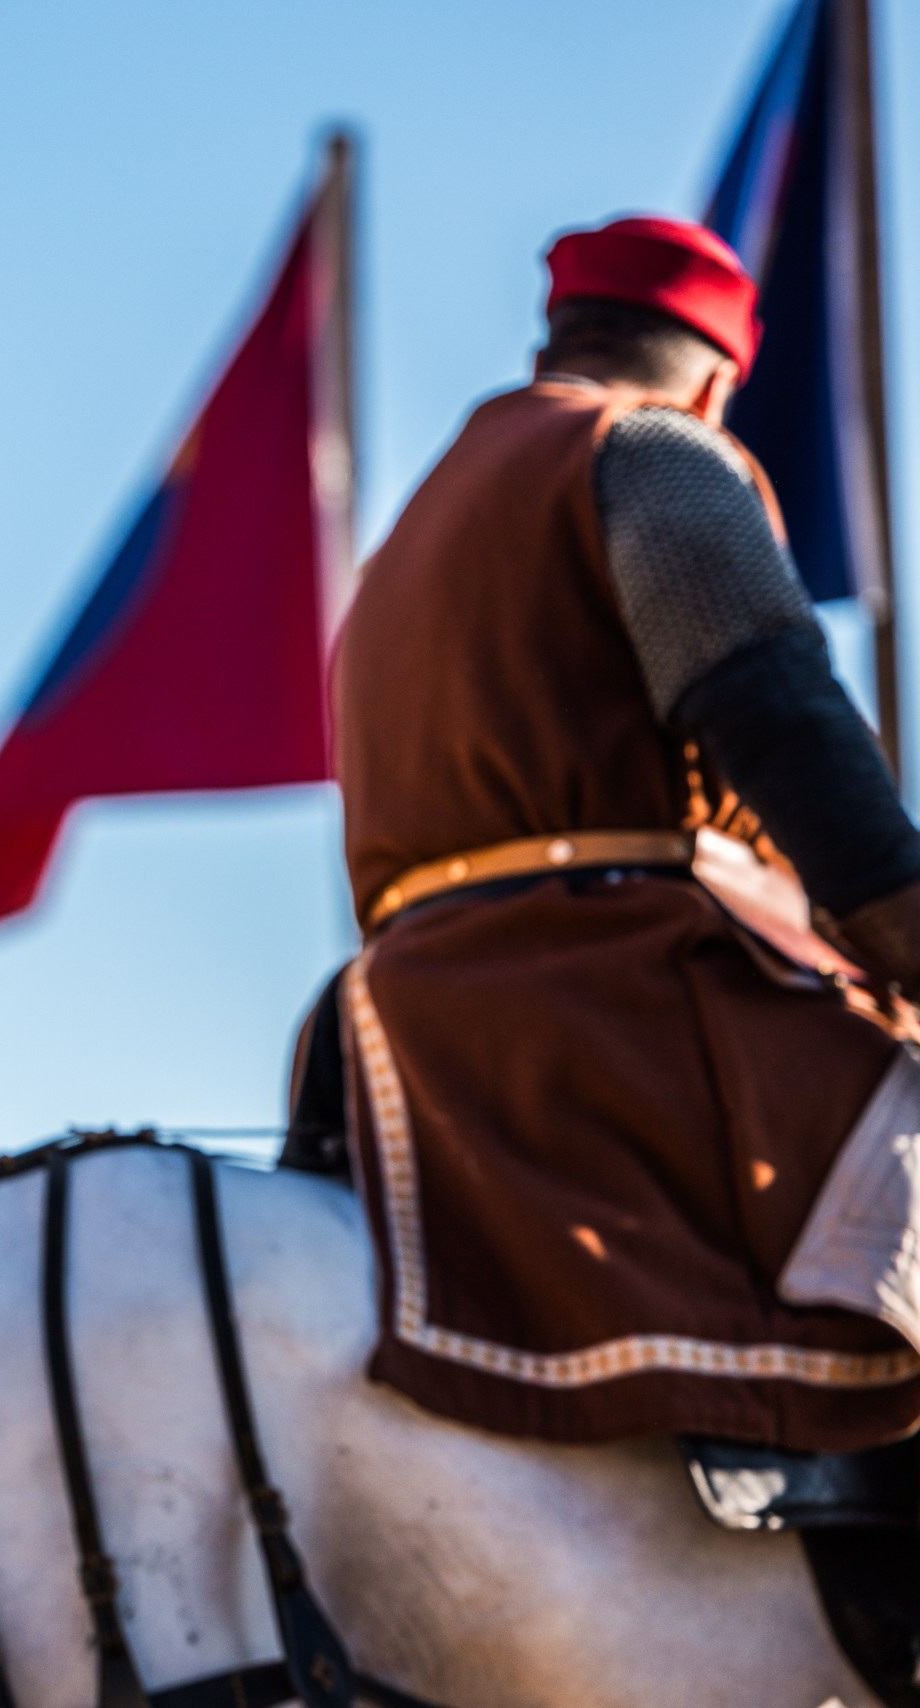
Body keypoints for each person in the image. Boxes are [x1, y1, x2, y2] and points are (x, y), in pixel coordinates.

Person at [330, 215, 920, 1453]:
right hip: (632, 1005)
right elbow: (777, 715)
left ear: (561, 330)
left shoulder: (407, 534)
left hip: (406, 1030)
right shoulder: (653, 451)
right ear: (715, 376)